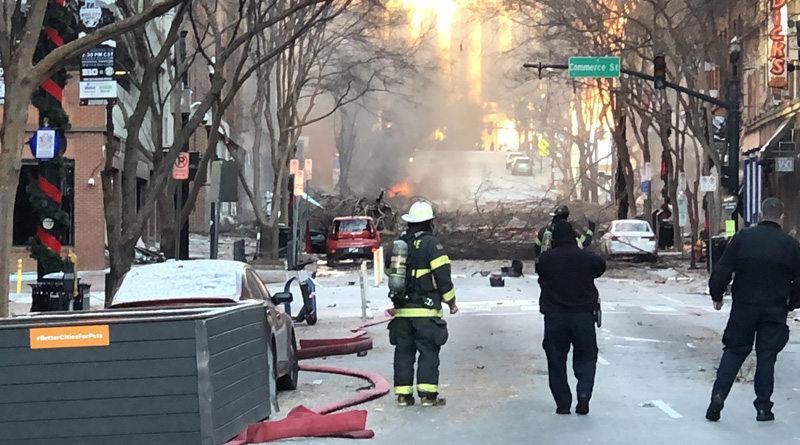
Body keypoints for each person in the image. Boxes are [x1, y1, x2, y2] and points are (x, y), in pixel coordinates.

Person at [706, 198, 800, 422]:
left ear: (759, 215)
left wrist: (717, 294)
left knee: (735, 350)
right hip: (774, 308)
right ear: (782, 217)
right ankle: (763, 407)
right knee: (767, 356)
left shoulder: (743, 238)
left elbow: (723, 269)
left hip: (744, 306)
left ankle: (719, 395)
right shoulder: (790, 245)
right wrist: (792, 303)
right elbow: (799, 280)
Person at [386, 201, 458, 407]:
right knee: (428, 351)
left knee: (404, 352)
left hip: (402, 310)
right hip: (426, 311)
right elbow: (443, 276)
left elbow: (390, 273)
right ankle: (427, 396)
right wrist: (451, 302)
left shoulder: (399, 244)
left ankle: (403, 395)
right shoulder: (432, 245)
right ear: (429, 222)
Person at [536, 220, 607, 415]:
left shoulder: (546, 260)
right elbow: (601, 266)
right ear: (574, 237)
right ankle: (583, 394)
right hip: (583, 316)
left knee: (556, 360)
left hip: (555, 317)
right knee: (586, 357)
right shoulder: (587, 258)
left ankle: (563, 403)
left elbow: (540, 270)